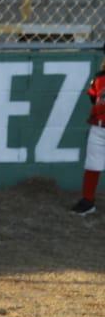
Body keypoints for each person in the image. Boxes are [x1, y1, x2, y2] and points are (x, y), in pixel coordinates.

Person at [70, 42, 105, 216]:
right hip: (98, 127)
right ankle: (88, 200)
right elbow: (93, 99)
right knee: (92, 164)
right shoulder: (99, 78)